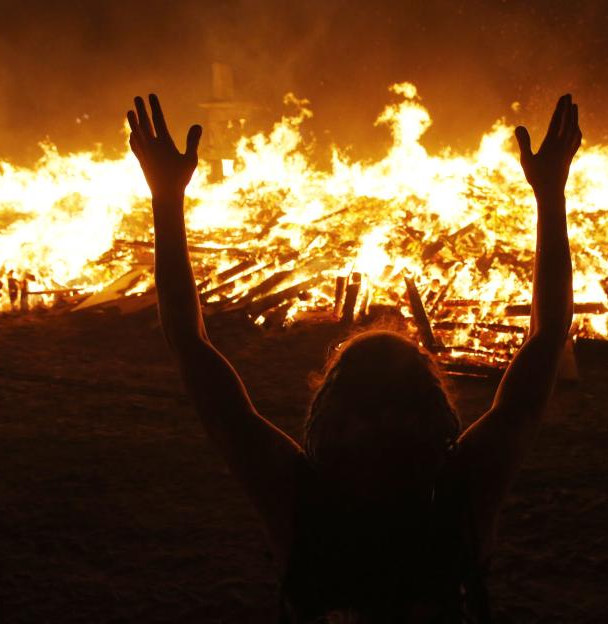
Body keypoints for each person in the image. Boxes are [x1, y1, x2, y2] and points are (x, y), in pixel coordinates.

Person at [127, 91, 581, 622]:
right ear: (436, 414)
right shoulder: (464, 494)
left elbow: (189, 342)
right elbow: (548, 339)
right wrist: (550, 195)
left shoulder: (297, 503)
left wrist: (166, 197)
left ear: (328, 415)